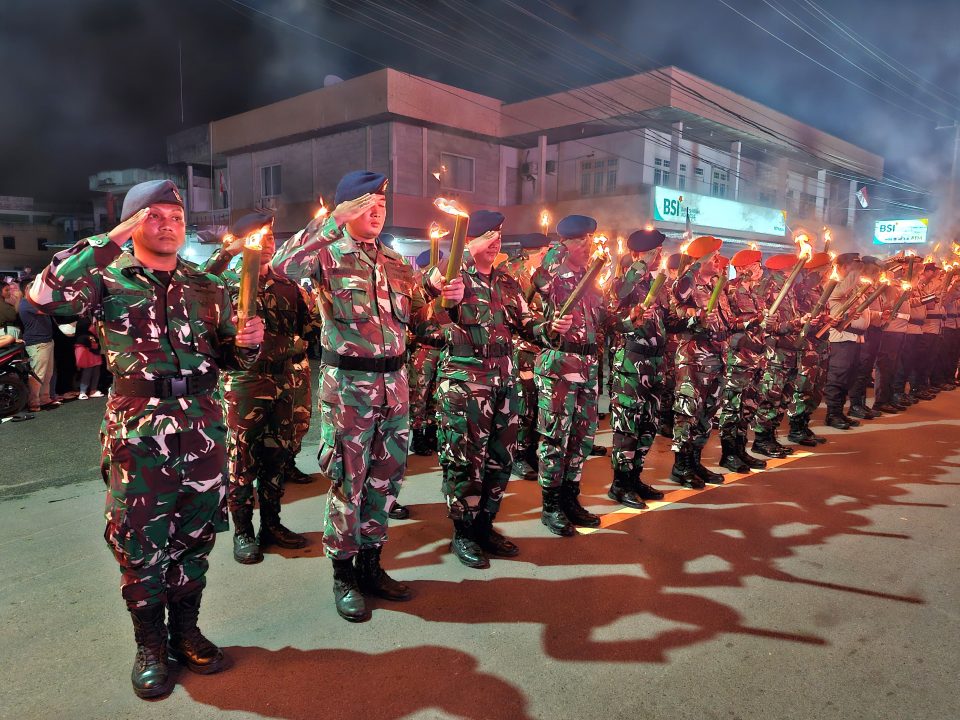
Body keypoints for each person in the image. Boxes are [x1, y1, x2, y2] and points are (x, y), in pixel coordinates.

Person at [28, 179, 265, 699]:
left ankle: (186, 632)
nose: (167, 226)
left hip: (204, 427)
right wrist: (109, 240)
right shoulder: (106, 279)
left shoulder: (207, 284)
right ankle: (151, 646)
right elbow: (43, 296)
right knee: (140, 542)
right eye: (153, 216)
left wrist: (247, 344)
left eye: (175, 218)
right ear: (132, 224)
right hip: (140, 433)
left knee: (196, 538)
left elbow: (228, 357)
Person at [272, 170, 464, 622]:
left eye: (380, 205)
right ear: (346, 210)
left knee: (385, 480)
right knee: (347, 481)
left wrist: (443, 298)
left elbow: (419, 319)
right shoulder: (326, 256)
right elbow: (282, 266)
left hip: (395, 388)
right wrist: (333, 221)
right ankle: (344, 575)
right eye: (366, 205)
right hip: (348, 392)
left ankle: (373, 565)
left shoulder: (396, 264)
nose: (376, 212)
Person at [435, 210, 555, 567]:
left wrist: (552, 327)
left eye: (498, 234)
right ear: (466, 241)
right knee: (464, 463)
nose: (495, 240)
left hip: (504, 383)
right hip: (466, 384)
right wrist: (445, 289)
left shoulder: (505, 281)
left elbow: (526, 322)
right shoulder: (450, 276)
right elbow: (429, 312)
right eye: (487, 234)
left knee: (500, 460)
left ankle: (485, 525)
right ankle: (464, 532)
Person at [202, 212, 313, 565]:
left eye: (270, 237)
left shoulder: (288, 286)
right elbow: (199, 281)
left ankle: (272, 525)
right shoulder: (223, 284)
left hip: (283, 382)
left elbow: (308, 329)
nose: (266, 243)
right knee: (242, 459)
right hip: (244, 382)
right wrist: (227, 253)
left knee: (277, 456)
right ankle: (243, 531)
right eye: (258, 236)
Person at [529, 215, 600, 536]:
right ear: (566, 243)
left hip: (586, 365)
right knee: (555, 437)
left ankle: (571, 497)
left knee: (581, 438)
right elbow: (538, 284)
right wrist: (560, 250)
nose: (588, 247)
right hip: (558, 365)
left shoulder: (589, 277)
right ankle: (551, 505)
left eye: (590, 240)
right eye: (581, 241)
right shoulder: (552, 276)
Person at [605, 228, 670, 508]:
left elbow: (666, 323)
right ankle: (620, 484)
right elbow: (612, 318)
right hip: (631, 364)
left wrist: (693, 322)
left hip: (655, 365)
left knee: (648, 425)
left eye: (659, 252)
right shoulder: (623, 283)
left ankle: (635, 477)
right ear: (636, 255)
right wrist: (638, 265)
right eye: (653, 252)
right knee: (627, 427)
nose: (658, 256)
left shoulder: (654, 286)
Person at [668, 238, 727, 488]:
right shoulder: (685, 285)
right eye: (712, 256)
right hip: (693, 360)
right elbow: (677, 296)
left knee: (707, 414)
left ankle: (695, 460)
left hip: (716, 360)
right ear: (699, 261)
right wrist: (694, 265)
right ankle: (681, 466)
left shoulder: (715, 286)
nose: (717, 261)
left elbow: (726, 321)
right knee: (688, 413)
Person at [502, 233, 551, 481]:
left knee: (537, 402)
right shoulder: (513, 273)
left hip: (539, 346)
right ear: (533, 252)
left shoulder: (543, 276)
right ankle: (518, 455)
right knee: (523, 402)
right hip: (520, 347)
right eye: (543, 252)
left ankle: (530, 450)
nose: (546, 256)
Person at [716, 248, 768, 471]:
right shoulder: (731, 290)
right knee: (733, 407)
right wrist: (753, 320)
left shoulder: (755, 293)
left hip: (755, 357)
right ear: (744, 268)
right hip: (738, 357)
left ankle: (740, 450)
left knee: (748, 406)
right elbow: (728, 322)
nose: (761, 269)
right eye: (757, 264)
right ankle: (728, 454)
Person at [19, 277, 58, 411]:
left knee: (47, 374)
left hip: (45, 341)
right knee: (38, 374)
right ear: (28, 290)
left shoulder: (32, 303)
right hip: (37, 343)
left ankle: (44, 399)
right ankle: (34, 402)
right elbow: (47, 310)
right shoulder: (26, 303)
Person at [74, 318, 104, 399]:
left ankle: (93, 390)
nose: (92, 326)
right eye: (90, 325)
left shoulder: (90, 335)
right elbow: (94, 345)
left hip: (95, 358)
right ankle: (82, 391)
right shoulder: (84, 337)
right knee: (87, 373)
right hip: (88, 358)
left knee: (96, 373)